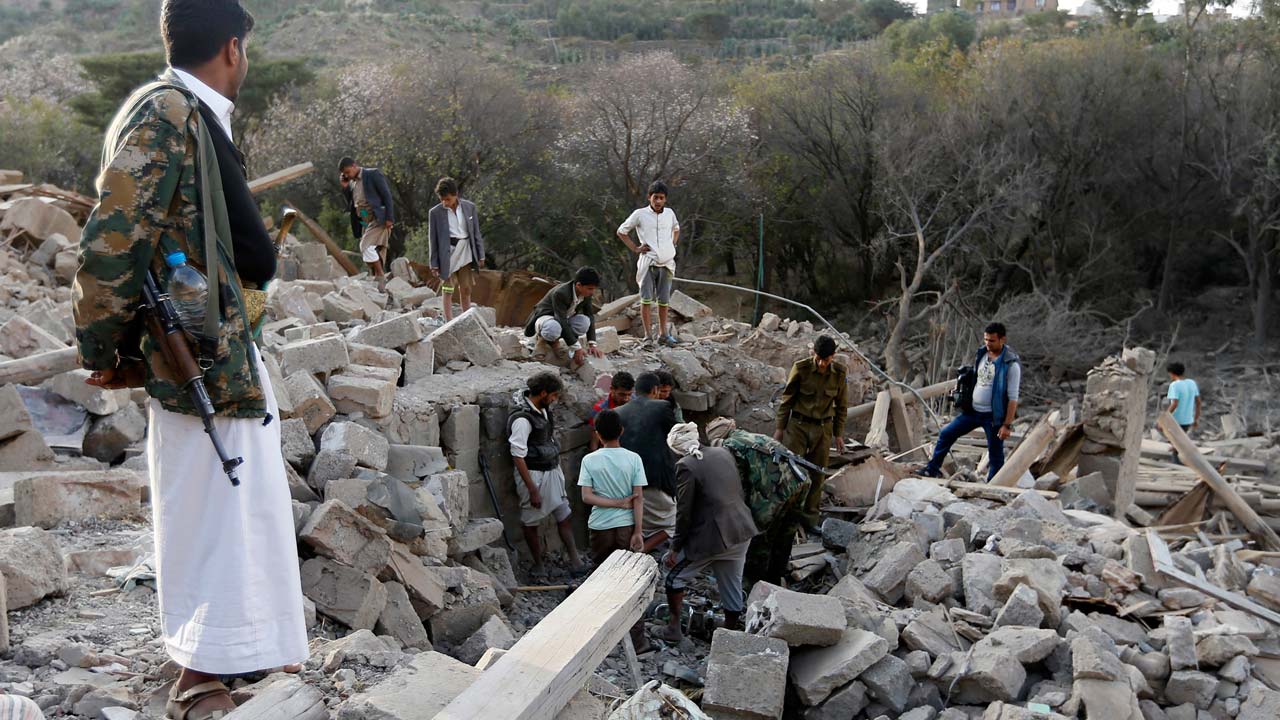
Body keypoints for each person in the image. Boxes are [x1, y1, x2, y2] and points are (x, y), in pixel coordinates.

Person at [73, 2, 307, 718]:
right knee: (210, 509)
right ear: (233, 49)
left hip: (223, 353)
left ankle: (232, 660)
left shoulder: (190, 116)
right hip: (197, 362)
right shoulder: (166, 116)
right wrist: (104, 351)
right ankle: (198, 676)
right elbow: (110, 242)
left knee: (241, 508)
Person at [657, 423, 759, 642]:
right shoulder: (722, 452)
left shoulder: (686, 465)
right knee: (732, 583)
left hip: (714, 538)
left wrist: (675, 548)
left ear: (675, 448)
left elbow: (683, 513)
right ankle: (729, 633)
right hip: (741, 530)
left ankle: (674, 627)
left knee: (674, 577)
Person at [707, 417, 814, 589]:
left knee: (759, 539)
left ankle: (753, 586)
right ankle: (776, 580)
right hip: (801, 481)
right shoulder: (754, 436)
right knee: (785, 535)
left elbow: (739, 485)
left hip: (777, 492)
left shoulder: (731, 446)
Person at [578, 408, 648, 651]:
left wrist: (612, 503)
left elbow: (587, 497)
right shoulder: (634, 459)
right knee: (630, 580)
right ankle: (637, 640)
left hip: (600, 527)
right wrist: (638, 531)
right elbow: (638, 498)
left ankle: (598, 638)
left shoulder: (590, 460)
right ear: (621, 431)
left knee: (599, 577)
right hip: (626, 526)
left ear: (597, 434)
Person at [918, 322, 1022, 481]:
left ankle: (994, 486)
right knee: (946, 434)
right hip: (973, 412)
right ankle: (932, 469)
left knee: (995, 454)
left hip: (993, 416)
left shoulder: (1011, 365)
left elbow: (1013, 397)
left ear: (1002, 340)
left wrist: (1006, 425)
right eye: (986, 340)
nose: (988, 343)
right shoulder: (982, 354)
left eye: (992, 341)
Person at [508, 371, 584, 576]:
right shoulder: (522, 420)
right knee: (531, 521)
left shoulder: (543, 410)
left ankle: (575, 559)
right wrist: (532, 489)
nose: (554, 400)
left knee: (564, 513)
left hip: (550, 469)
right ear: (543, 393)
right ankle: (538, 564)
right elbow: (517, 455)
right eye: (553, 395)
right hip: (534, 475)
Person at [774, 335, 848, 527]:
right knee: (791, 470)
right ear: (813, 353)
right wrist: (780, 429)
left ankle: (809, 520)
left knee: (817, 474)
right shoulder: (801, 369)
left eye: (827, 359)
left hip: (823, 429)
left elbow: (841, 407)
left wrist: (838, 435)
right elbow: (787, 400)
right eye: (819, 359)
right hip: (798, 426)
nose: (822, 364)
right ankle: (786, 517)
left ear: (833, 356)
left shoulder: (839, 374)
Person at [616, 372, 679, 552]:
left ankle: (634, 548)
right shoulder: (662, 407)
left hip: (626, 478)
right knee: (672, 523)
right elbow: (676, 437)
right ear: (655, 390)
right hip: (656, 477)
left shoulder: (618, 412)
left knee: (637, 519)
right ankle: (639, 552)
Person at [617, 181, 680, 346]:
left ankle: (663, 334)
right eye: (655, 197)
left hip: (666, 263)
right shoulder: (640, 214)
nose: (658, 201)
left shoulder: (670, 213)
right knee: (646, 299)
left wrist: (672, 245)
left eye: (661, 198)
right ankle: (647, 336)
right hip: (648, 262)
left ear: (665, 199)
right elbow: (622, 231)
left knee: (664, 300)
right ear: (649, 197)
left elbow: (676, 228)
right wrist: (635, 248)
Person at [426, 177, 485, 322]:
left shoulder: (469, 207)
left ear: (455, 194)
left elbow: (476, 232)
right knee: (447, 288)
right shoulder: (435, 213)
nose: (445, 203)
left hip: (466, 251)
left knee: (466, 288)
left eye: (447, 199)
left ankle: (467, 318)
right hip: (448, 253)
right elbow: (432, 239)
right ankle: (449, 320)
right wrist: (434, 263)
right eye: (442, 199)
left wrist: (480, 254)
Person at [522, 267, 604, 369]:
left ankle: (555, 342)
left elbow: (589, 315)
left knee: (584, 322)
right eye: (590, 289)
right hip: (546, 319)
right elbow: (561, 320)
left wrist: (592, 345)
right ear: (578, 285)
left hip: (562, 319)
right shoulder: (561, 293)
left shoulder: (585, 294)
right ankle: (543, 340)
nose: (592, 292)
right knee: (553, 328)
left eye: (594, 289)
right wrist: (577, 348)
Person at [337, 157, 395, 291]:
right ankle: (379, 283)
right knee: (373, 251)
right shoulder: (352, 183)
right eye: (344, 174)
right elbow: (351, 204)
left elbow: (386, 195)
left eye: (348, 172)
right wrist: (346, 188)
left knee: (365, 246)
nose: (347, 175)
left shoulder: (372, 174)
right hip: (364, 220)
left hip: (378, 218)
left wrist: (389, 218)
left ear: (354, 165)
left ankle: (380, 274)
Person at [589, 371, 634, 451]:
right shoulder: (599, 410)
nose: (626, 399)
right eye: (622, 395)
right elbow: (594, 439)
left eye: (629, 394)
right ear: (611, 389)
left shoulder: (635, 403)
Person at [1166, 362, 1201, 433]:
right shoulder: (1192, 383)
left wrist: (1166, 417)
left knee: (1173, 441)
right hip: (1188, 421)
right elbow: (1198, 402)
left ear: (1172, 373)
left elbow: (1175, 404)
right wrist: (1196, 419)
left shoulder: (1174, 385)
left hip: (1176, 420)